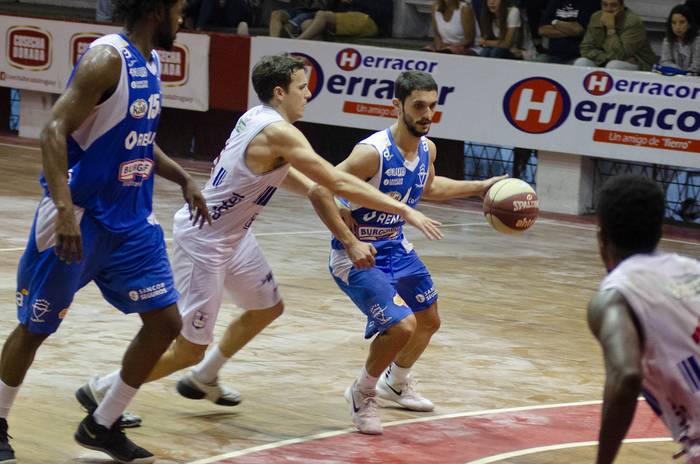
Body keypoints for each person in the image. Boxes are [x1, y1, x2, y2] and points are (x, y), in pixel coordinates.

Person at [78, 54, 443, 422]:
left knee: (267, 308)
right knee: (188, 349)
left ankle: (205, 378)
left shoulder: (255, 117)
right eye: (302, 87)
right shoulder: (279, 131)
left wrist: (318, 190)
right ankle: (104, 390)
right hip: (205, 241)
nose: (308, 93)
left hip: (234, 235)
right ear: (280, 91)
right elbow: (338, 181)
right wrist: (405, 210)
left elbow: (283, 174)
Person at [0, 0, 210, 462]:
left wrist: (184, 178)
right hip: (79, 215)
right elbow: (53, 131)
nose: (184, 19)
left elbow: (136, 137)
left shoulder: (151, 61)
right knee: (35, 327)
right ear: (156, 10)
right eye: (179, 9)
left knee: (166, 324)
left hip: (132, 221)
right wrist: (64, 211)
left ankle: (101, 424)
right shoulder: (106, 58)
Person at [306, 71, 505, 434]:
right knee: (401, 327)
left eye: (432, 106)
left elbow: (428, 186)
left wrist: (480, 187)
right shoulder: (371, 154)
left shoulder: (427, 148)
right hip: (356, 254)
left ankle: (395, 382)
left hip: (396, 246)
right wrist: (349, 241)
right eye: (418, 106)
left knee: (429, 321)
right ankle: (362, 392)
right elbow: (320, 190)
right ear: (396, 106)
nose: (427, 113)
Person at [588, 174, 700, 464]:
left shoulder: (615, 296)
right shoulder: (692, 269)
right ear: (661, 231)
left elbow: (626, 376)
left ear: (602, 238)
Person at [574, 0, 656, 71]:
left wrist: (611, 29)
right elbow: (585, 48)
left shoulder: (633, 21)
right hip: (603, 60)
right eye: (605, 5)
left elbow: (622, 55)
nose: (608, 9)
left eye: (614, 5)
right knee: (581, 62)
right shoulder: (596, 17)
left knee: (614, 65)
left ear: (622, 6)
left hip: (639, 63)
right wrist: (604, 58)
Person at [294, 0, 392, 41]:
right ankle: (320, 57)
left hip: (370, 21)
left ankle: (296, 43)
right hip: (346, 17)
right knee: (306, 24)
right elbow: (331, 9)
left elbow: (383, 12)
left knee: (322, 15)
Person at [659, 4, 700, 75]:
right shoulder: (668, 40)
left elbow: (696, 67)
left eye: (682, 22)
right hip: (676, 78)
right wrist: (679, 72)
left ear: (689, 24)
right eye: (674, 23)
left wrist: (681, 73)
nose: (677, 27)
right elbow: (664, 62)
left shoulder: (697, 40)